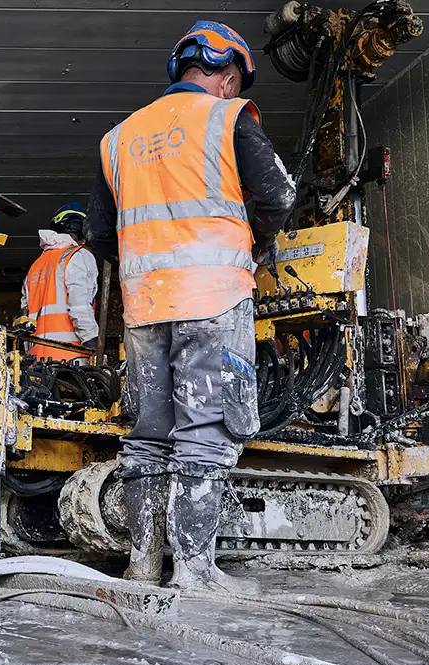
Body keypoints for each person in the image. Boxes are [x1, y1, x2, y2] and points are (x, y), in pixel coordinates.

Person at [85, 21, 296, 592]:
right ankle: (194, 574)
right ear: (228, 77)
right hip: (213, 297)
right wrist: (256, 239)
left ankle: (142, 564)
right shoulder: (228, 117)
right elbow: (278, 195)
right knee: (205, 430)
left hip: (144, 306)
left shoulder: (119, 138)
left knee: (149, 433)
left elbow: (101, 236)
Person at [20, 203, 100, 362]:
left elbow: (24, 315)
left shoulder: (36, 265)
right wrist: (91, 340)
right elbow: (79, 304)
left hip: (36, 362)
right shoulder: (78, 256)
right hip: (69, 358)